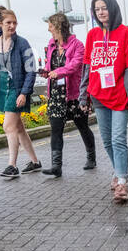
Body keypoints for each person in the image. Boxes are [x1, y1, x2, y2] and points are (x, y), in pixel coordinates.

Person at [79, 0, 128, 204]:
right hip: (98, 96)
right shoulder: (92, 35)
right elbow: (87, 67)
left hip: (120, 96)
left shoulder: (125, 33)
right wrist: (83, 96)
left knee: (118, 139)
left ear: (112, 8)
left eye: (104, 8)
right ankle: (117, 171)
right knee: (106, 141)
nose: (101, 12)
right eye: (97, 9)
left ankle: (122, 181)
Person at [0, 7, 42, 179]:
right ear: (0, 24)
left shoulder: (23, 43)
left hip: (16, 87)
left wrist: (24, 93)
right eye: (8, 22)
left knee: (8, 126)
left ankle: (12, 165)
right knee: (18, 128)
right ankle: (35, 162)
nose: (12, 26)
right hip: (1, 86)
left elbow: (31, 70)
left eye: (14, 22)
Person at [41, 11, 96, 179]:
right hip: (56, 95)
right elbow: (51, 66)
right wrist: (47, 72)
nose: (49, 29)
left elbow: (74, 65)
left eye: (50, 26)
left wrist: (58, 72)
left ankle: (91, 157)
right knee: (56, 129)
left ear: (58, 26)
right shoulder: (51, 45)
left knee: (82, 126)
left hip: (73, 93)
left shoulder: (77, 45)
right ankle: (56, 166)